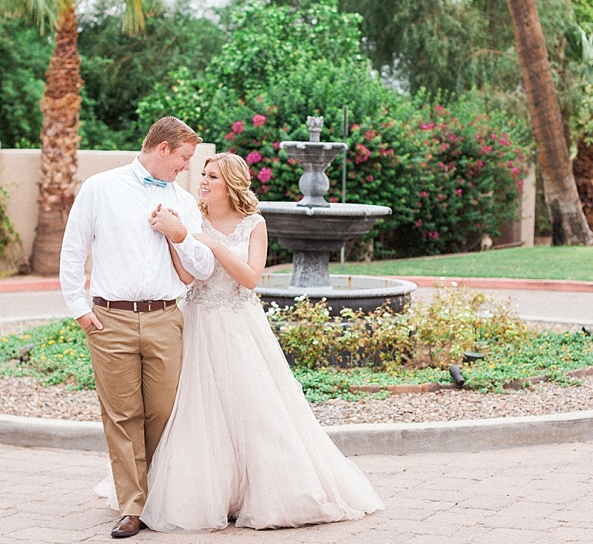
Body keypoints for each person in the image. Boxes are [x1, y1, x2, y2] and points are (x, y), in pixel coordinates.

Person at [98, 152, 384, 531]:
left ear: (231, 183)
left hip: (238, 323)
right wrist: (175, 237)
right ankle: (206, 492)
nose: (202, 180)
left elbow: (250, 278)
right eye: (202, 173)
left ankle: (259, 490)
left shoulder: (254, 223)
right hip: (198, 321)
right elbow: (186, 276)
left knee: (251, 406)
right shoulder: (191, 217)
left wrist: (214, 245)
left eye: (212, 176)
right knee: (196, 410)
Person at [59, 117, 216, 539]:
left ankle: (160, 495)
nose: (187, 166)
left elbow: (203, 268)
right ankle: (133, 506)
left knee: (164, 411)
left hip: (166, 316)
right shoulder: (100, 188)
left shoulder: (183, 202)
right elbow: (73, 250)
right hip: (110, 319)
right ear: (162, 149)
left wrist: (179, 234)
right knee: (122, 415)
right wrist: (79, 308)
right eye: (184, 157)